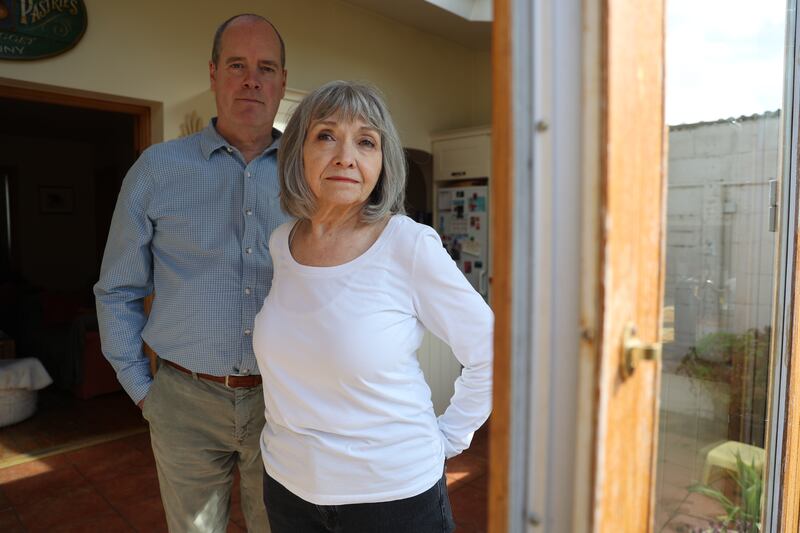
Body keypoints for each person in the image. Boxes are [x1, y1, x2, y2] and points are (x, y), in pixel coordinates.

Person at [252, 81, 494, 532]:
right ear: (297, 153)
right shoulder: (281, 244)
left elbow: (491, 350)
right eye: (326, 135)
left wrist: (448, 439)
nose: (346, 156)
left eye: (366, 142)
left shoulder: (407, 243)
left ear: (382, 164)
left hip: (392, 497)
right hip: (288, 487)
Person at [94, 13, 288, 533]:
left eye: (265, 67)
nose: (251, 79)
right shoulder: (157, 169)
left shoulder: (307, 173)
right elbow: (117, 289)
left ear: (282, 83)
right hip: (184, 399)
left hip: (286, 403)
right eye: (237, 65)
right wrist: (142, 389)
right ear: (213, 73)